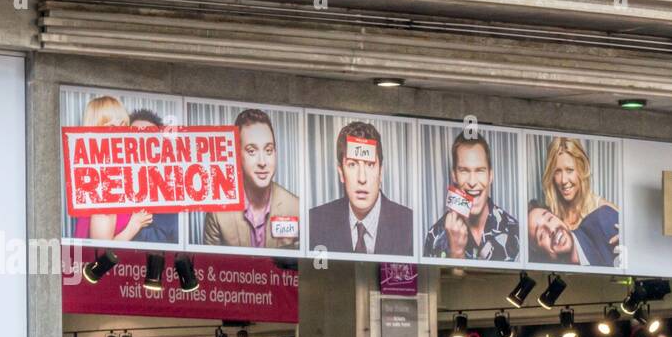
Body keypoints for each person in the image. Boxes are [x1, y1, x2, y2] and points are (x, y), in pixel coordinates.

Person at [308, 120, 413, 255]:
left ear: (380, 172)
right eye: (352, 164)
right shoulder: (315, 221)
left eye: (370, 165)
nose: (362, 178)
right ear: (341, 173)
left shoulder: (409, 223)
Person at [204, 109, 300, 249]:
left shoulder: (296, 208)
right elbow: (209, 267)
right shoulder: (218, 213)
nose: (262, 162)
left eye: (268, 150)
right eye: (251, 151)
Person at [423, 131, 519, 261]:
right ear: (454, 176)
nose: (472, 182)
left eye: (480, 170)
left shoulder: (515, 231)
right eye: (464, 170)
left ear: (490, 175)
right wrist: (456, 253)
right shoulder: (435, 236)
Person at [72, 96, 155, 243]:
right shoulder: (102, 181)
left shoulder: (116, 176)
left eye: (123, 124)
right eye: (112, 126)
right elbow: (101, 254)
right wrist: (134, 224)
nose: (121, 132)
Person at [541, 137, 620, 264]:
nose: (563, 180)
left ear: (581, 169)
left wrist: (630, 240)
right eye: (557, 172)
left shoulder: (604, 211)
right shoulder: (549, 219)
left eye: (569, 170)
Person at [125, 109, 180, 244]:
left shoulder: (173, 207)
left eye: (148, 140)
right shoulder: (109, 199)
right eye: (134, 138)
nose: (140, 145)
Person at [526, 201, 615, 266]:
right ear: (541, 253)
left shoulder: (603, 220)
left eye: (549, 219)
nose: (551, 229)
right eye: (542, 235)